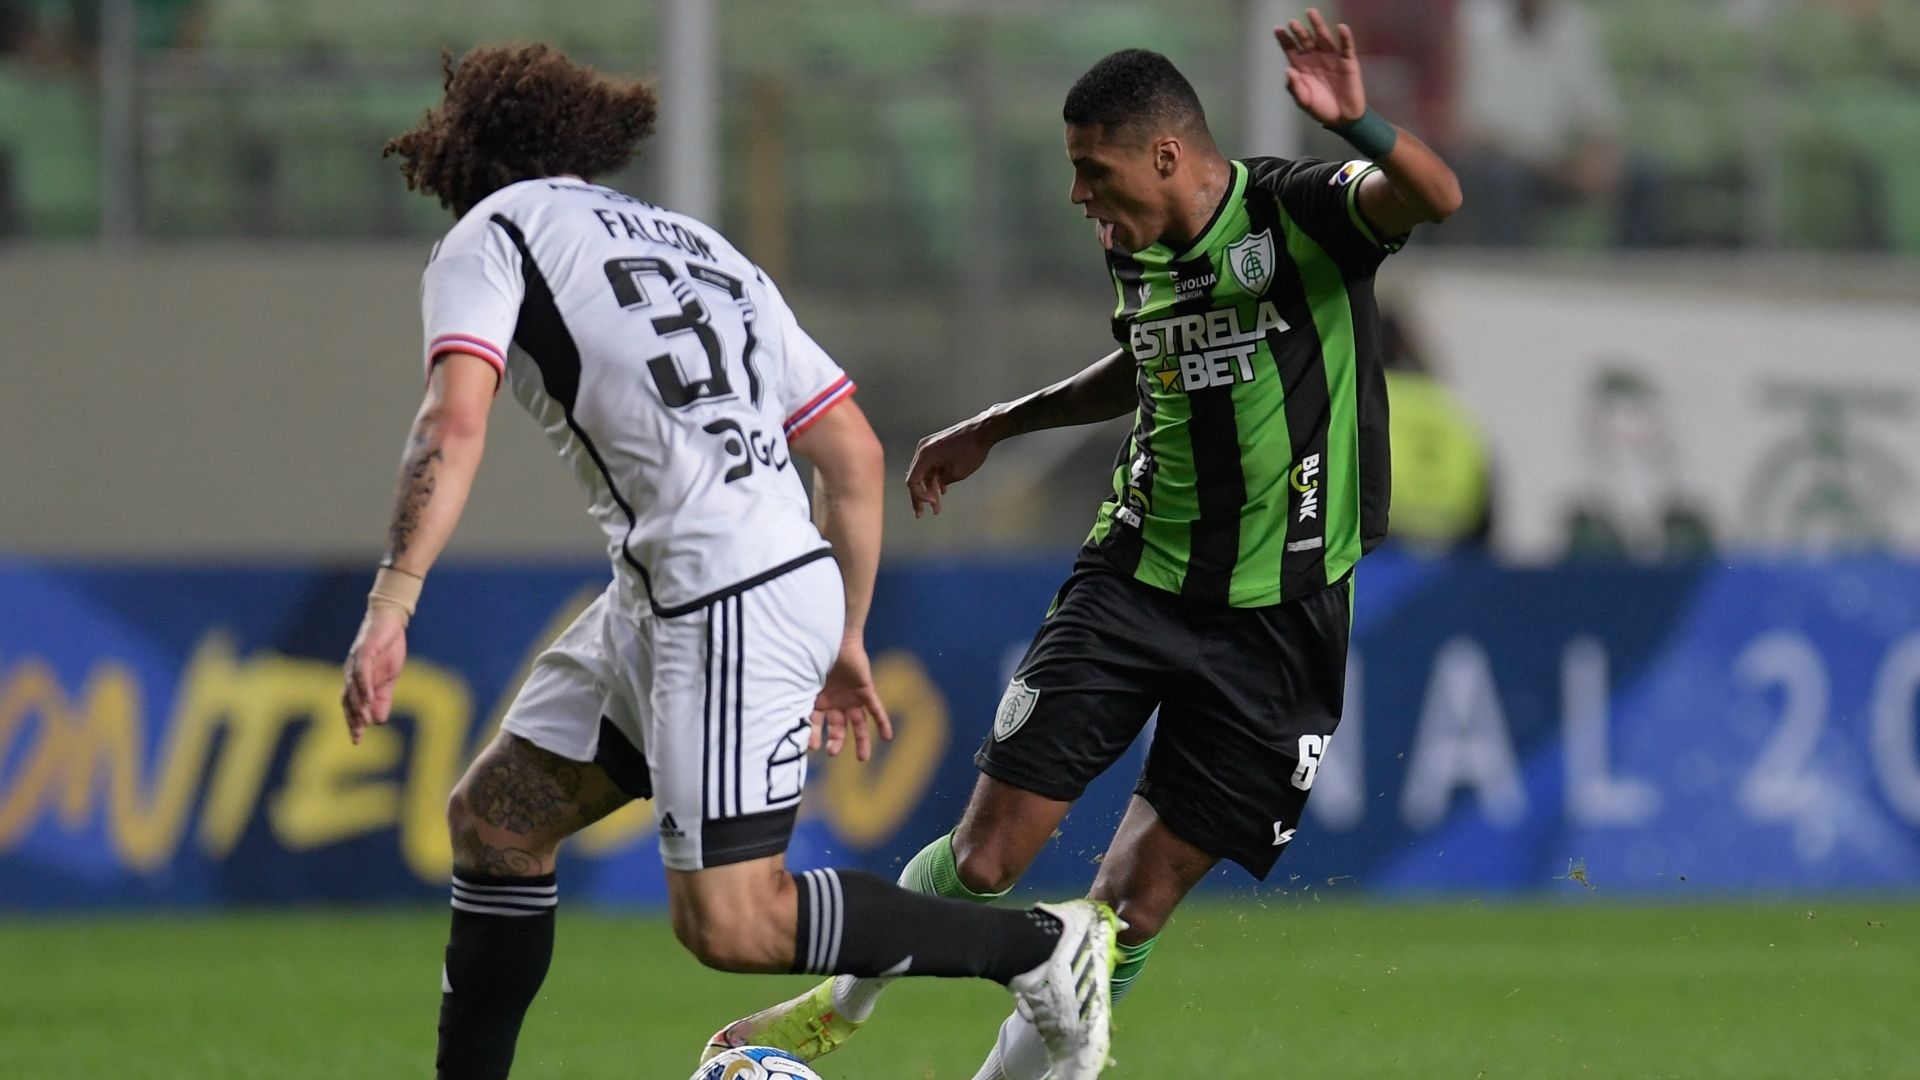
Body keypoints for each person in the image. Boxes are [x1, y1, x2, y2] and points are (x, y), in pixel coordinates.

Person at [337, 44, 1118, 1080]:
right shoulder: (705, 250)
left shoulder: (494, 232)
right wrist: (841, 631)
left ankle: (1041, 948)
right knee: (497, 821)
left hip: (717, 592)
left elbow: (453, 419)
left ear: (464, 159)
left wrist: (392, 602)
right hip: (701, 582)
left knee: (734, 924)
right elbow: (853, 452)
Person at [702, 11, 1460, 1079]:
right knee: (984, 855)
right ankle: (839, 1007)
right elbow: (1146, 361)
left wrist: (1363, 123)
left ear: (1165, 152)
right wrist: (1000, 423)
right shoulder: (1130, 242)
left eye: (1093, 170)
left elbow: (1435, 196)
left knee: (1130, 913)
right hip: (1135, 581)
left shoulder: (1295, 215)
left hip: (1283, 617)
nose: (1079, 196)